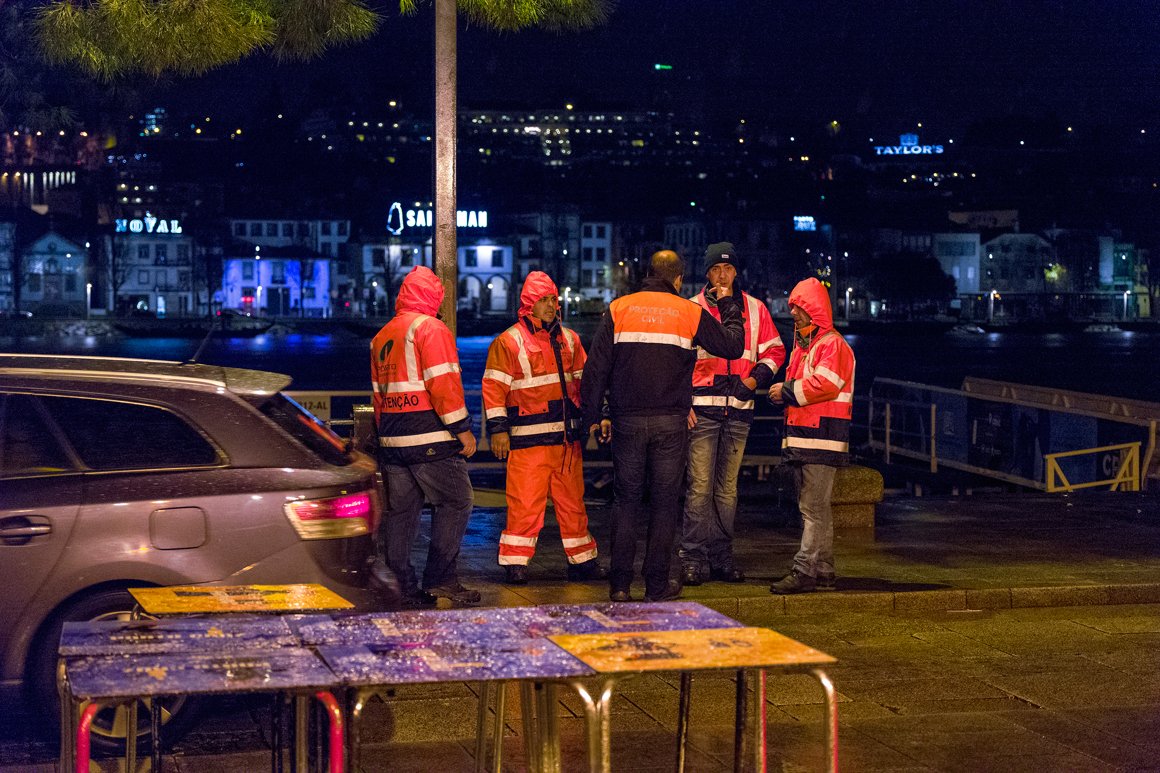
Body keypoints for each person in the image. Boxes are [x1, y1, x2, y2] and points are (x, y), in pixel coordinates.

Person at [581, 249, 745, 603]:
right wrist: (728, 303)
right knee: (664, 503)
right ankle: (656, 583)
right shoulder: (688, 311)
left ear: (648, 273)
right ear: (678, 280)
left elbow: (596, 370)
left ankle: (620, 585)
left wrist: (590, 420)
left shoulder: (619, 309)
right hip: (671, 422)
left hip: (627, 420)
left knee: (626, 501)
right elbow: (733, 347)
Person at [482, 271, 606, 584]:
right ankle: (515, 563)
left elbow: (586, 384)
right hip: (529, 441)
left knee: (573, 504)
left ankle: (582, 561)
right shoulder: (509, 341)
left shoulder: (570, 340)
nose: (551, 305)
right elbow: (494, 388)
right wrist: (498, 430)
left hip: (566, 440)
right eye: (543, 300)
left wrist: (598, 414)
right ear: (529, 305)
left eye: (553, 299)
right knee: (525, 504)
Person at [370, 266, 481, 606]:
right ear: (432, 296)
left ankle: (401, 585)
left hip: (392, 437)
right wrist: (462, 429)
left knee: (402, 512)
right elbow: (443, 384)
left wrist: (385, 435)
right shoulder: (430, 328)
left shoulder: (382, 336)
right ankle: (441, 578)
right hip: (428, 435)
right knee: (457, 500)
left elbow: (378, 396)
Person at [680, 243, 785, 586]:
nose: (722, 275)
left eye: (727, 268)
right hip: (702, 409)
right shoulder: (691, 309)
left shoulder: (755, 309)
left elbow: (775, 351)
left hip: (739, 409)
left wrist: (753, 381)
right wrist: (683, 403)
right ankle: (692, 557)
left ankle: (721, 557)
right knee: (699, 488)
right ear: (707, 273)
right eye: (715, 269)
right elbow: (676, 361)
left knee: (727, 490)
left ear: (736, 272)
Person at [767, 277, 856, 594]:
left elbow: (826, 384)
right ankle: (824, 569)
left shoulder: (831, 345)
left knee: (812, 508)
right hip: (810, 436)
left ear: (814, 310)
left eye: (799, 308)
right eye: (793, 307)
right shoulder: (808, 346)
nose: (793, 313)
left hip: (820, 438)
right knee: (818, 507)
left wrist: (785, 390)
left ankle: (804, 570)